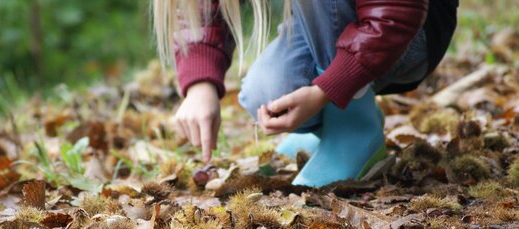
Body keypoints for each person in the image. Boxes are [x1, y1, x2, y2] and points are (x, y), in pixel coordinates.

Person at [153, 0, 458, 187]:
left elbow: (394, 13)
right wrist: (199, 85)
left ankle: (353, 128)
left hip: (411, 31)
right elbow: (202, 8)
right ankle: (327, 124)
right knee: (265, 93)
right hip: (346, 21)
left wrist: (329, 88)